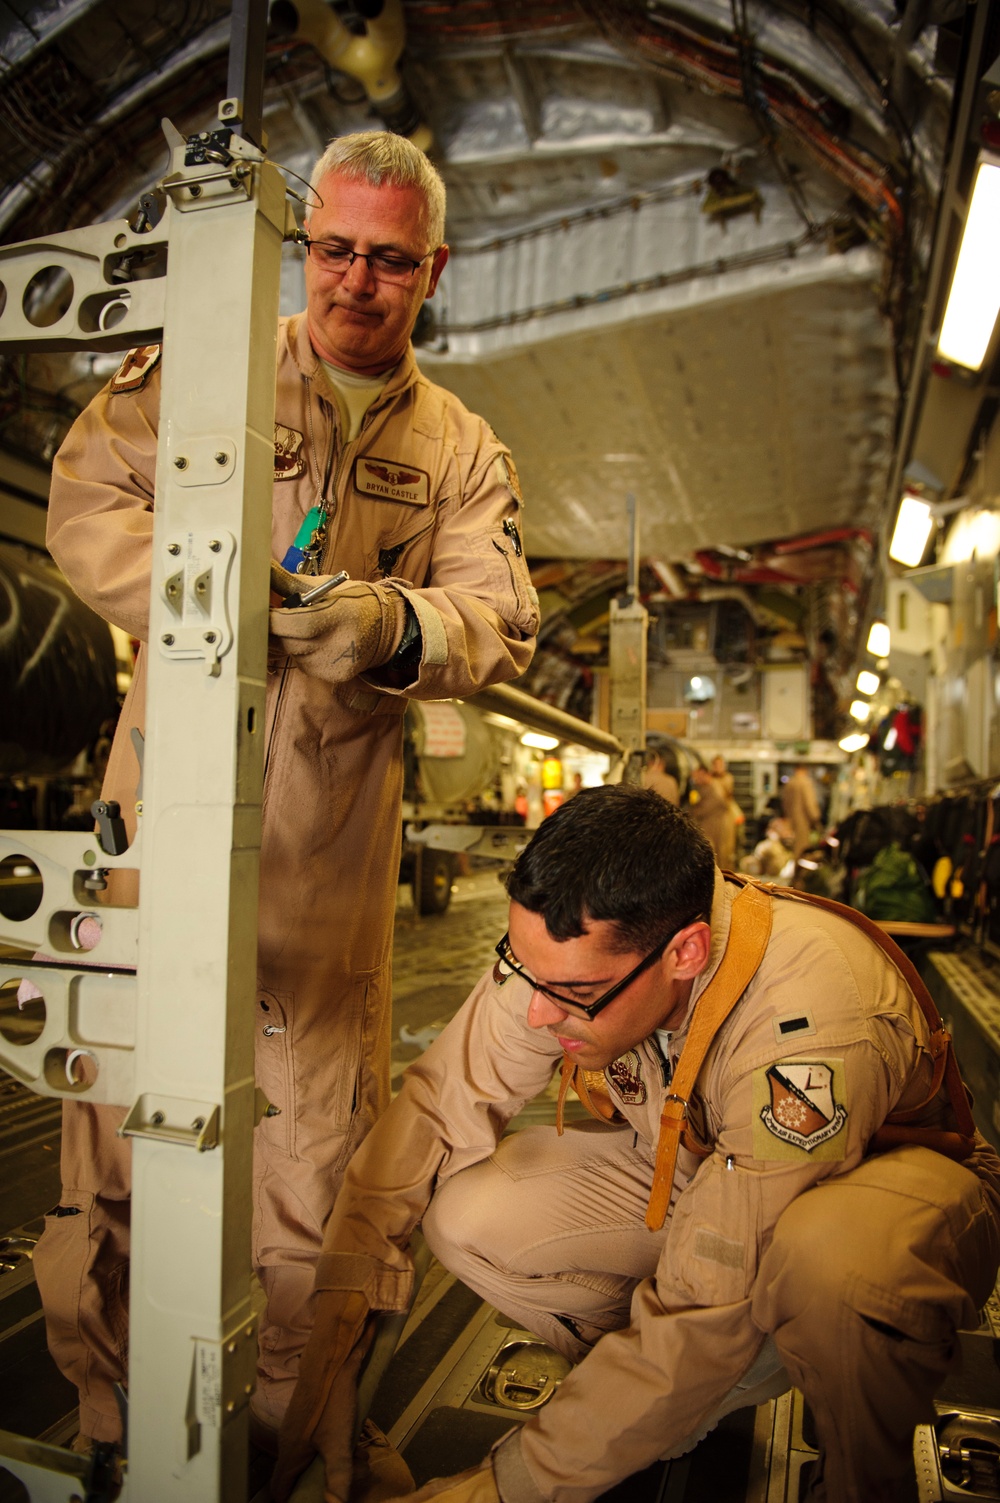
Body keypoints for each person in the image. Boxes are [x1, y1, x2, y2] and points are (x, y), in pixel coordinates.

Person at [40, 130, 539, 1452]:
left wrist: (388, 620)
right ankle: (113, 1429)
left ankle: (288, 1444)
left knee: (316, 1174)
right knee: (121, 1154)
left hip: (325, 869)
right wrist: (212, 594)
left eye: (389, 260)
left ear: (434, 269)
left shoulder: (456, 448)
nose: (355, 282)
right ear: (301, 243)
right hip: (161, 830)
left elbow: (499, 619)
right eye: (333, 248)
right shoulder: (211, 367)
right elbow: (87, 493)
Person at [273, 785, 1000, 1503]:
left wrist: (503, 1486)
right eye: (524, 971)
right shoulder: (578, 949)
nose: (534, 1010)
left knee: (837, 1263)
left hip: (876, 1198)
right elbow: (437, 1106)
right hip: (707, 1174)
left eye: (570, 992)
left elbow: (708, 1297)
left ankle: (859, 1480)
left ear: (685, 952)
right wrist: (342, 1302)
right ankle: (646, 1405)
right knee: (467, 1212)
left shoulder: (807, 1025)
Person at [687, 763, 734, 866]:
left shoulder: (714, 788)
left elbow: (703, 808)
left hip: (717, 829)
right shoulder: (706, 787)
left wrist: (689, 813)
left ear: (704, 774)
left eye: (697, 777)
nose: (696, 780)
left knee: (719, 858)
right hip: (712, 826)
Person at [783, 764, 822, 859]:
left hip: (792, 821)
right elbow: (809, 803)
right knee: (803, 849)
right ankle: (800, 872)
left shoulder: (790, 783)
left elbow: (785, 803)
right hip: (803, 821)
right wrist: (816, 818)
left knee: (794, 848)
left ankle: (795, 869)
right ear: (804, 770)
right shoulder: (806, 783)